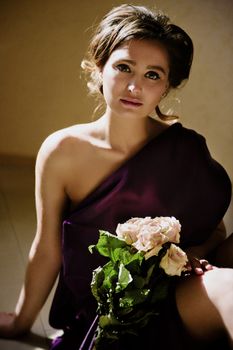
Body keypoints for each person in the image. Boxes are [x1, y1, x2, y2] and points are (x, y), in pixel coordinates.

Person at [0, 4, 232, 350]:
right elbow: (47, 246)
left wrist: (194, 253)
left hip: (185, 287)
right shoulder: (62, 151)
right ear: (99, 68)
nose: (135, 86)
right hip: (117, 311)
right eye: (124, 67)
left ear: (166, 87)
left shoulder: (185, 147)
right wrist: (21, 320)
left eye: (153, 75)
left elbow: (215, 229)